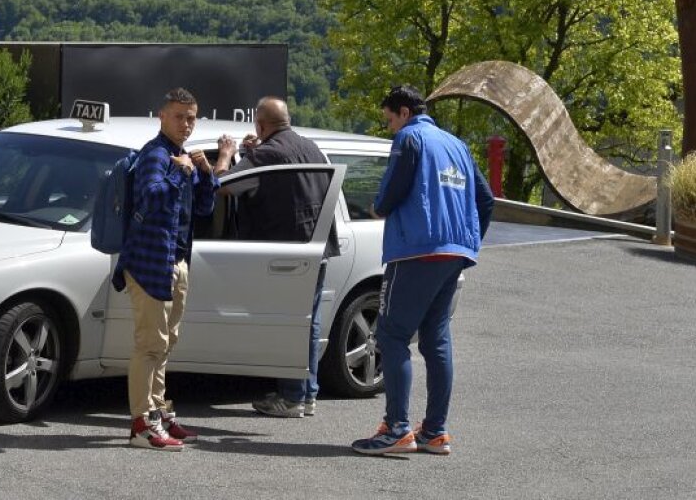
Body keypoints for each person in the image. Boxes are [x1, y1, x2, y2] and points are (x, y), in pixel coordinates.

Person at [351, 85, 494, 456]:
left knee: (392, 334)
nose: (389, 128)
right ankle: (434, 431)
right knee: (436, 339)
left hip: (416, 249)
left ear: (403, 112)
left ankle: (397, 429)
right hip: (454, 252)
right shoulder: (457, 144)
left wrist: (378, 207)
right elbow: (486, 199)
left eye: (388, 119)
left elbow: (392, 191)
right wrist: (468, 240)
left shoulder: (409, 139)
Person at [112, 87, 219, 452]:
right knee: (149, 344)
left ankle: (159, 411)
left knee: (165, 343)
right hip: (149, 262)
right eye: (179, 116)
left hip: (176, 259)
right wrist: (181, 174)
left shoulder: (180, 155)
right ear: (161, 116)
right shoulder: (156, 155)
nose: (186, 124)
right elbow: (151, 197)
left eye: (191, 117)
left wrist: (204, 173)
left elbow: (202, 211)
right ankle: (141, 424)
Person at [214, 96, 335, 418]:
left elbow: (224, 186)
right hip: (317, 247)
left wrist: (226, 155)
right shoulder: (311, 147)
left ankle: (292, 396)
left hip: (285, 252)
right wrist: (250, 153)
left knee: (288, 324)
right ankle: (307, 393)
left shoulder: (266, 154)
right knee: (308, 321)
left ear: (261, 125)